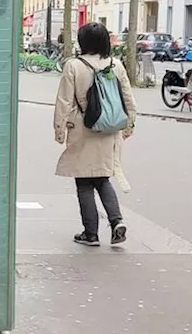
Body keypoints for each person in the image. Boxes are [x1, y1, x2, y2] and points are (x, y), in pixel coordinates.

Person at [53, 22, 137, 247]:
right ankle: (116, 220)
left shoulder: (73, 66)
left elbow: (64, 101)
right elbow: (128, 98)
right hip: (110, 128)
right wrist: (129, 125)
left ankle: (91, 233)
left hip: (83, 128)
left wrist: (59, 130)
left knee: (83, 181)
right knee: (102, 177)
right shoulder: (116, 65)